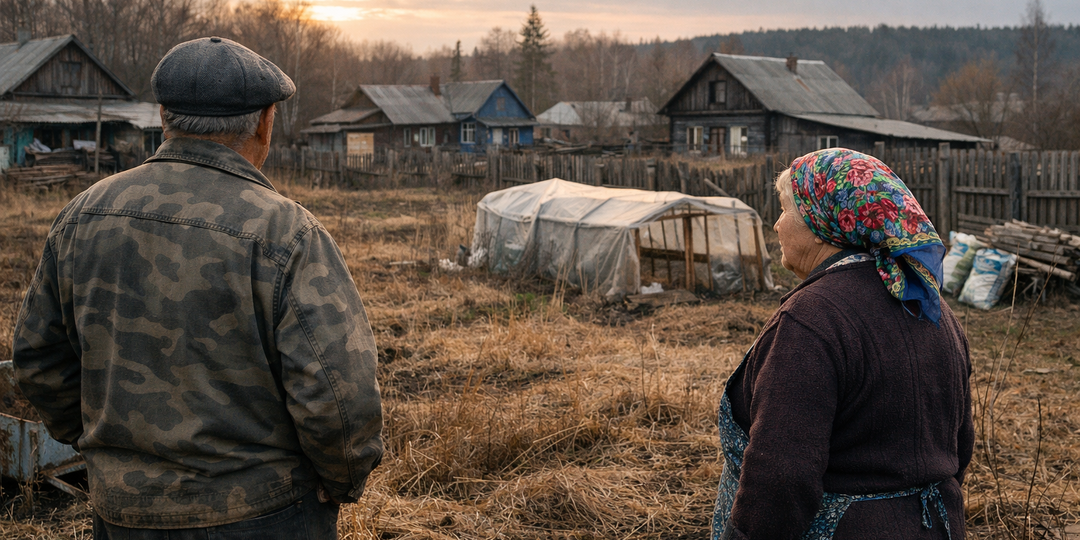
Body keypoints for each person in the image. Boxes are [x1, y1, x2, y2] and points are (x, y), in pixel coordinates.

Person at [13, 37, 383, 539]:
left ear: (164, 116)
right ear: (265, 121)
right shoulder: (286, 233)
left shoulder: (81, 217)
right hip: (262, 514)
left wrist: (106, 455)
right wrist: (341, 481)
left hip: (124, 515)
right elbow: (341, 399)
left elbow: (38, 359)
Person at [711, 148, 974, 540]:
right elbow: (959, 447)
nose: (777, 225)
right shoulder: (933, 310)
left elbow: (782, 475)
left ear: (821, 221)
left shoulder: (812, 319)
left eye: (784, 210)